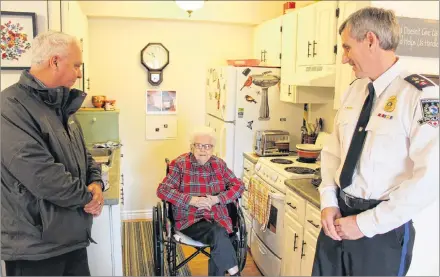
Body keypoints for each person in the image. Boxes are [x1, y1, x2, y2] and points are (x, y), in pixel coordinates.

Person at [313, 7, 439, 276]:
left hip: (380, 230)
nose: (345, 59)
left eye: (347, 48)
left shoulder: (420, 96)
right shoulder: (355, 90)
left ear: (370, 40)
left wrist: (365, 224)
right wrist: (328, 201)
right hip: (338, 219)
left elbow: (430, 178)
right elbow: (333, 151)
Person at [1, 30, 107, 276]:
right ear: (55, 61)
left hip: (72, 237)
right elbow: (42, 175)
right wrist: (88, 198)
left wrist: (96, 182)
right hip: (35, 247)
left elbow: (85, 155)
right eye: (77, 65)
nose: (79, 73)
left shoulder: (61, 105)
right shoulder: (9, 106)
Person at [156, 127, 245, 276]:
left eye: (208, 146)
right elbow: (162, 190)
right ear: (192, 146)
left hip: (218, 216)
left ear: (212, 148)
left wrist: (217, 199)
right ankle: (235, 273)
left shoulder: (219, 164)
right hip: (190, 219)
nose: (203, 149)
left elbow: (239, 185)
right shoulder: (180, 164)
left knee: (221, 234)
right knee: (219, 233)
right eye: (199, 145)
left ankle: (232, 271)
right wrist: (192, 200)